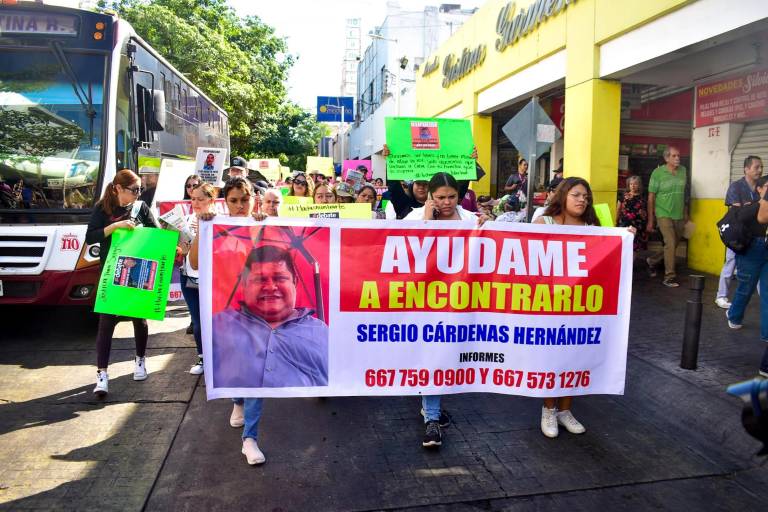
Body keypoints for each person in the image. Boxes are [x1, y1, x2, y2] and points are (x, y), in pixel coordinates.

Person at [189, 177, 270, 465]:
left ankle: (250, 438)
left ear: (252, 200)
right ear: (225, 200)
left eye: (244, 200)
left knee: (256, 372)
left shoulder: (261, 225)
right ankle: (237, 400)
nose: (239, 206)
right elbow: (196, 262)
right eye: (233, 200)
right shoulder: (215, 225)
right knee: (236, 367)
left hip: (257, 312)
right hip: (224, 311)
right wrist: (203, 227)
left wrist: (263, 226)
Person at [405, 172, 478, 449]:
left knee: (447, 357)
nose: (446, 203)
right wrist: (426, 219)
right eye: (440, 197)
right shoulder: (414, 218)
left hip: (462, 301)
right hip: (425, 302)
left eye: (452, 197)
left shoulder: (470, 219)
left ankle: (430, 410)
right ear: (429, 196)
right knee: (433, 356)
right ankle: (432, 419)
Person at [532, 176, 598, 438]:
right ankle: (548, 409)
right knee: (553, 358)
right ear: (563, 196)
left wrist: (624, 237)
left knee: (574, 357)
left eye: (586, 196)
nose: (583, 200)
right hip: (548, 304)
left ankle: (565, 410)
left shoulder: (592, 226)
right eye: (577, 195)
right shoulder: (544, 223)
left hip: (580, 305)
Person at [211, 244, 329, 388]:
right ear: (244, 284)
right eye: (260, 279)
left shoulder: (320, 331)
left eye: (279, 278)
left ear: (295, 282)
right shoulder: (220, 326)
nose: (271, 287)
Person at [86, 170, 158, 396]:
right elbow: (91, 237)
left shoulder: (141, 208)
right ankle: (102, 374)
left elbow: (156, 234)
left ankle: (139, 361)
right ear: (118, 188)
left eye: (140, 190)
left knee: (140, 319)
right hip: (110, 272)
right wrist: (115, 227)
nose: (138, 194)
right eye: (133, 190)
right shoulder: (102, 208)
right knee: (106, 323)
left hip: (136, 272)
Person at [727, 174, 768, 377]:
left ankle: (766, 332)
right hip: (753, 250)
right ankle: (734, 315)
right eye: (766, 187)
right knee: (746, 288)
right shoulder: (754, 204)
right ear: (760, 189)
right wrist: (760, 203)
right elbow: (742, 217)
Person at [716, 156, 763, 309]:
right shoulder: (735, 187)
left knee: (759, 264)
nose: (760, 170)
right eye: (756, 167)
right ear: (746, 169)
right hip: (738, 233)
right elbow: (736, 212)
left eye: (761, 167)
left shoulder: (762, 187)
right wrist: (755, 206)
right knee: (731, 262)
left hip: (757, 233)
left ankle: (764, 296)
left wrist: (751, 206)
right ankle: (721, 296)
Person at [180, 182, 217, 375]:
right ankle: (202, 358)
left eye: (200, 199)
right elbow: (181, 250)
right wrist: (180, 249)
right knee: (197, 321)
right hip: (189, 277)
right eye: (193, 198)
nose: (195, 202)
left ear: (211, 199)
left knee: (215, 320)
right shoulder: (185, 219)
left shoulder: (219, 220)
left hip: (212, 278)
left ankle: (217, 358)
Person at [646, 146, 688, 287]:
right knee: (670, 243)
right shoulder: (657, 173)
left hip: (679, 215)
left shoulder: (683, 171)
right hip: (663, 214)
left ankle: (652, 261)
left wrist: (686, 214)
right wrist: (651, 220)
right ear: (666, 158)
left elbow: (684, 194)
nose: (677, 158)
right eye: (674, 156)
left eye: (678, 156)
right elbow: (651, 198)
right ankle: (669, 276)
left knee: (673, 245)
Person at [616, 175, 648, 253]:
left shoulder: (643, 197)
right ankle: (626, 264)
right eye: (631, 184)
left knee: (636, 248)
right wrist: (616, 220)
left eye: (635, 184)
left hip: (639, 225)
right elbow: (618, 209)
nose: (633, 186)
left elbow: (646, 211)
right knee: (624, 246)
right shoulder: (623, 196)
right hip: (625, 224)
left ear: (639, 185)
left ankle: (631, 264)